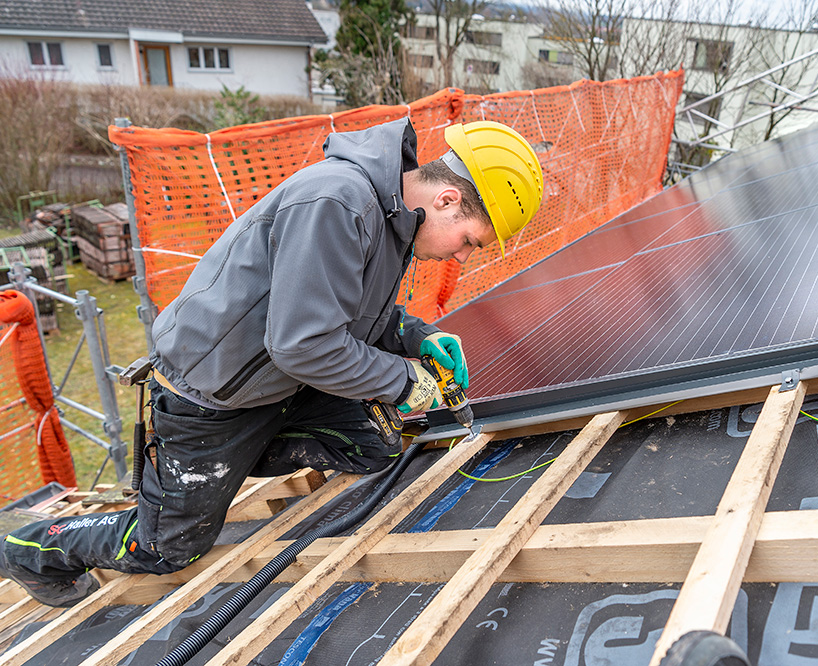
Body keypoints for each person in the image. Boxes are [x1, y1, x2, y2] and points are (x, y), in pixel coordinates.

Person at [0, 117, 543, 607]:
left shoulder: (396, 217)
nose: (464, 256)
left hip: (284, 385)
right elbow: (303, 345)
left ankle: (239, 459)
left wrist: (414, 336)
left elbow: (346, 311)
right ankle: (31, 549)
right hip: (212, 397)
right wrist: (403, 379)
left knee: (376, 441)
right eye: (471, 240)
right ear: (448, 200)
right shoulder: (338, 203)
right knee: (166, 548)